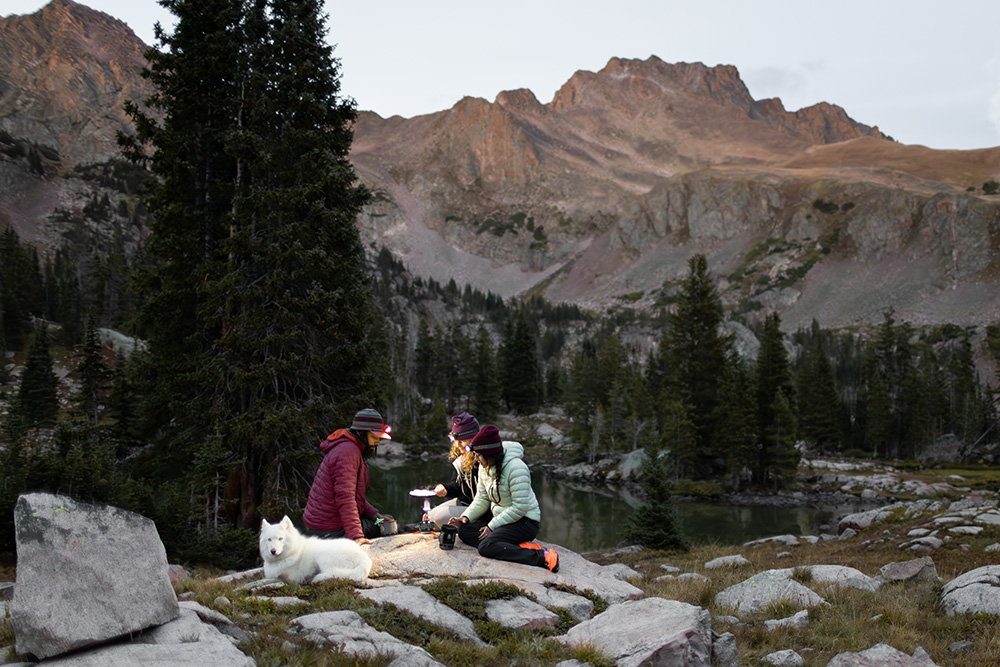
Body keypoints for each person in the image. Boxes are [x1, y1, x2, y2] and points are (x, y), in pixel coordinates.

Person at [448, 425, 559, 572]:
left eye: (478, 456)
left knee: (486, 547)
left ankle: (542, 556)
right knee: (464, 531)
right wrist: (465, 518)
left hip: (524, 521)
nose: (476, 459)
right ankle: (509, 545)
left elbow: (520, 508)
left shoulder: (517, 468)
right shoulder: (484, 467)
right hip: (502, 518)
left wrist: (491, 527)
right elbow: (482, 499)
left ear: (490, 455)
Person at [302, 408, 397, 545]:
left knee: (383, 520)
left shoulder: (351, 448)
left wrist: (374, 515)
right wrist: (356, 537)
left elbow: (356, 497)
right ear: (360, 432)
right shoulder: (347, 452)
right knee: (386, 527)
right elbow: (345, 498)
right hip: (330, 532)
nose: (377, 442)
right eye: (374, 437)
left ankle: (377, 520)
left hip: (324, 527)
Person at [427, 412, 481, 529]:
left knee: (440, 518)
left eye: (462, 441)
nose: (458, 445)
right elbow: (458, 486)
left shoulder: (483, 460)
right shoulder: (461, 459)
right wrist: (446, 489)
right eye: (455, 440)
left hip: (481, 509)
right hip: (465, 502)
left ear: (473, 440)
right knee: (428, 517)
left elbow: (485, 499)